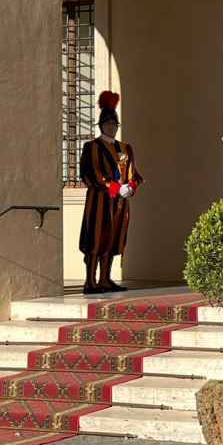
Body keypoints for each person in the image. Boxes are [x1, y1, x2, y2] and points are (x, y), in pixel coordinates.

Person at [79, 91, 143, 294]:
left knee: (114, 239)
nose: (112, 128)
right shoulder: (92, 147)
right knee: (96, 239)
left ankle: (105, 279)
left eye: (114, 124)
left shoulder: (125, 148)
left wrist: (130, 187)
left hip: (120, 203)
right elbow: (91, 175)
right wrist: (116, 188)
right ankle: (90, 281)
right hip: (99, 202)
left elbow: (135, 174)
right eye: (108, 124)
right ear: (101, 126)